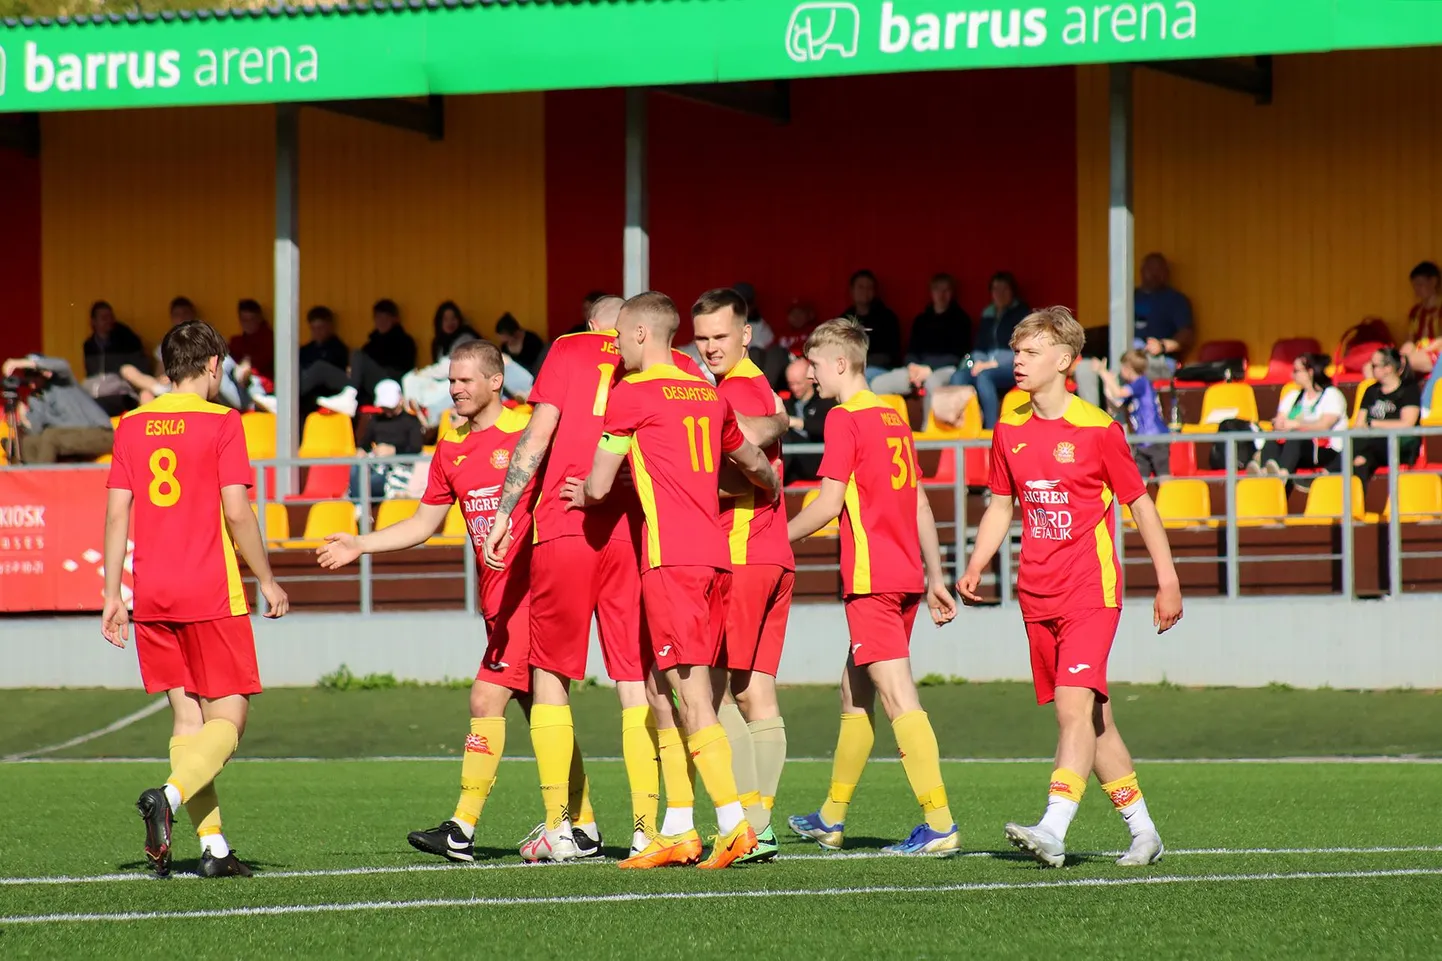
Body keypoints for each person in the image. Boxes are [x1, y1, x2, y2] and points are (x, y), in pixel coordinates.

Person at [316, 340, 599, 863]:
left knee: (484, 699)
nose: (456, 389)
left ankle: (462, 830)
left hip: (532, 595)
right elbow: (425, 524)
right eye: (450, 380)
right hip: (497, 603)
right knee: (542, 708)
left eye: (466, 380)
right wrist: (360, 543)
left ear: (496, 382)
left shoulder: (532, 432)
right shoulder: (451, 447)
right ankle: (582, 827)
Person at [482, 295, 718, 862]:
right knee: (634, 680)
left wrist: (503, 513)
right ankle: (645, 825)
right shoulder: (679, 366)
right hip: (635, 530)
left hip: (565, 524)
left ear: (595, 323)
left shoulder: (568, 349)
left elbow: (536, 436)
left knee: (550, 675)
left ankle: (560, 827)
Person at [957, 306, 1183, 869]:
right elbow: (1001, 504)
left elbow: (1140, 506)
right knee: (1094, 721)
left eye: (1031, 353)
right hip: (1036, 593)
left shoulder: (1099, 430)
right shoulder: (1008, 426)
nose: (1018, 362)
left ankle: (1054, 827)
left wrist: (1168, 580)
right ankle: (1144, 832)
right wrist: (976, 562)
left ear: (1065, 361)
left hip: (1091, 592)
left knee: (1071, 711)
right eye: (1016, 352)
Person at [563, 290, 781, 870]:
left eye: (618, 340)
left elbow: (602, 482)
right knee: (666, 690)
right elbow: (754, 462)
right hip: (716, 558)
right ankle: (679, 829)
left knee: (690, 695)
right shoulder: (706, 392)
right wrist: (774, 490)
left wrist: (580, 491)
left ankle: (734, 824)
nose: (614, 351)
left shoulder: (630, 393)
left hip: (670, 561)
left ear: (639, 335)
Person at [100, 319, 290, 879]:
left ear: (166, 367)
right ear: (212, 365)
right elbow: (236, 512)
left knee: (188, 720)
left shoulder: (131, 425)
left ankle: (213, 849)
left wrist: (113, 595)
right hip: (209, 589)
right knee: (228, 717)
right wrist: (268, 579)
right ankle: (169, 796)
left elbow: (116, 514)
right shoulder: (223, 422)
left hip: (152, 593)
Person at [783, 317, 961, 857]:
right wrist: (936, 577)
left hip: (872, 579)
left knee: (896, 696)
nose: (809, 375)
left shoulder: (843, 419)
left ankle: (940, 823)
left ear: (839, 363)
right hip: (904, 575)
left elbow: (828, 504)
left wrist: (771, 541)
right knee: (853, 692)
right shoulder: (894, 414)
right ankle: (831, 819)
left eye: (814, 364)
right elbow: (921, 502)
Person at [691, 288, 795, 864]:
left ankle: (749, 824)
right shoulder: (756, 386)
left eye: (719, 336)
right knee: (755, 691)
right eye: (702, 337)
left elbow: (745, 464)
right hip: (771, 551)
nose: (709, 347)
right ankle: (761, 826)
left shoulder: (735, 389)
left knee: (710, 690)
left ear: (746, 334)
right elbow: (767, 431)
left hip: (743, 552)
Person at [869, 274, 972, 403]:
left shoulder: (961, 320)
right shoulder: (921, 320)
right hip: (917, 370)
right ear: (931, 292)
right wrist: (913, 367)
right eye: (937, 289)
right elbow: (911, 351)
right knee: (879, 384)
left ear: (952, 293)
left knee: (932, 383)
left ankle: (927, 424)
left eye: (946, 290)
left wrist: (928, 369)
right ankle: (891, 422)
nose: (942, 294)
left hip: (947, 369)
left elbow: (957, 355)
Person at [949, 271, 1029, 428]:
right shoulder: (988, 313)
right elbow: (979, 346)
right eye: (995, 289)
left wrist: (992, 364)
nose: (999, 294)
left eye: (1004, 289)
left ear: (1012, 291)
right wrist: (979, 362)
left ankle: (991, 429)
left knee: (984, 376)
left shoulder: (1021, 313)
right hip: (984, 364)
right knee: (958, 377)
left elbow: (1022, 348)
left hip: (1011, 366)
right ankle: (963, 427)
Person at [1248, 353, 1347, 478]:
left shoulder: (1331, 395)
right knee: (1273, 438)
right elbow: (1281, 418)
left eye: (1296, 371)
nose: (1292, 375)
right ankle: (1264, 472)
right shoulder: (1292, 396)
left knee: (1296, 436)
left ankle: (1282, 474)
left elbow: (1324, 426)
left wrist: (1297, 424)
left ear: (1310, 372)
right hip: (1295, 448)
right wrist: (1279, 424)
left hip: (1325, 449)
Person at [2, 354, 115, 463]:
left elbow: (61, 365)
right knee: (28, 442)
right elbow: (35, 431)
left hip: (101, 434)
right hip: (69, 437)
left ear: (45, 372)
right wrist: (22, 415)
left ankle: (41, 477)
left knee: (50, 437)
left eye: (34, 374)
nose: (31, 379)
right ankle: (26, 478)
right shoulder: (35, 399)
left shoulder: (63, 383)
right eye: (27, 375)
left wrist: (17, 363)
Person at [317, 299, 418, 417]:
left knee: (356, 354)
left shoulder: (405, 341)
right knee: (320, 367)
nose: (381, 322)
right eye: (378, 318)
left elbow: (403, 370)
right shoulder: (370, 344)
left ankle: (349, 397)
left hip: (389, 385)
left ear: (395, 319)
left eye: (386, 318)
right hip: (365, 387)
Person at [1094, 350, 1170, 479]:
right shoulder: (1133, 390)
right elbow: (1117, 406)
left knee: (1164, 479)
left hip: (1156, 439)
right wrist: (1108, 387)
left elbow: (1118, 393)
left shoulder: (1141, 382)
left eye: (1122, 367)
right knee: (1139, 482)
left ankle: (1171, 498)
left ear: (1128, 368)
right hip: (1142, 443)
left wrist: (1103, 373)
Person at [1351, 347, 1421, 484]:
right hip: (1372, 446)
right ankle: (1357, 503)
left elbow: (1407, 423)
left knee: (1365, 446)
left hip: (1399, 444)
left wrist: (1374, 424)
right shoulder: (1371, 391)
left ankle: (1329, 471)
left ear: (1388, 368)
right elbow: (1359, 424)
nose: (1371, 368)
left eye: (1374, 365)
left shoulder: (1409, 390)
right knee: (1361, 460)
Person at [350, 380, 425, 502]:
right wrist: (362, 451)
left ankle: (360, 504)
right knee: (356, 468)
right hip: (376, 464)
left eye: (391, 407)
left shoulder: (411, 421)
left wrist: (394, 450)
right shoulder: (376, 421)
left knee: (373, 480)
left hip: (396, 467)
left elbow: (416, 448)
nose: (388, 411)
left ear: (400, 399)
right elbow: (364, 444)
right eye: (385, 407)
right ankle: (360, 505)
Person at [81, 300, 146, 416]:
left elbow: (141, 371)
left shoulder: (128, 340)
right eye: (104, 317)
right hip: (98, 395)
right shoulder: (89, 345)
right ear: (93, 322)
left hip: (123, 394)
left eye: (111, 316)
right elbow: (91, 375)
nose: (109, 320)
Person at [842, 270, 902, 384]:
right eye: (860, 287)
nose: (865, 291)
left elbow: (890, 355)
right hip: (849, 368)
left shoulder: (887, 317)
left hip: (880, 370)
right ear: (852, 290)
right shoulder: (844, 319)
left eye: (869, 287)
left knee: (861, 378)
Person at [783, 355, 835, 481]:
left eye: (798, 383)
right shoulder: (786, 404)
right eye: (791, 384)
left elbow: (828, 429)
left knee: (785, 434)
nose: (794, 388)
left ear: (810, 379)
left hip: (816, 457)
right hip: (794, 465)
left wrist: (799, 423)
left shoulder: (825, 401)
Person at [1402, 263, 1442, 415]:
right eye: (1415, 286)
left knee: (1405, 363)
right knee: (1394, 361)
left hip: (1436, 354)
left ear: (1433, 282)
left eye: (1420, 284)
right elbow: (1410, 339)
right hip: (1419, 353)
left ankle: (1422, 407)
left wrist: (1424, 350)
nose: (1417, 290)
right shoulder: (1416, 311)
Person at [299, 306, 351, 416]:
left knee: (319, 367)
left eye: (321, 328)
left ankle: (286, 398)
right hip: (308, 395)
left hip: (331, 392)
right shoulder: (304, 350)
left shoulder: (338, 348)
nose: (317, 332)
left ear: (329, 327)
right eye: (313, 328)